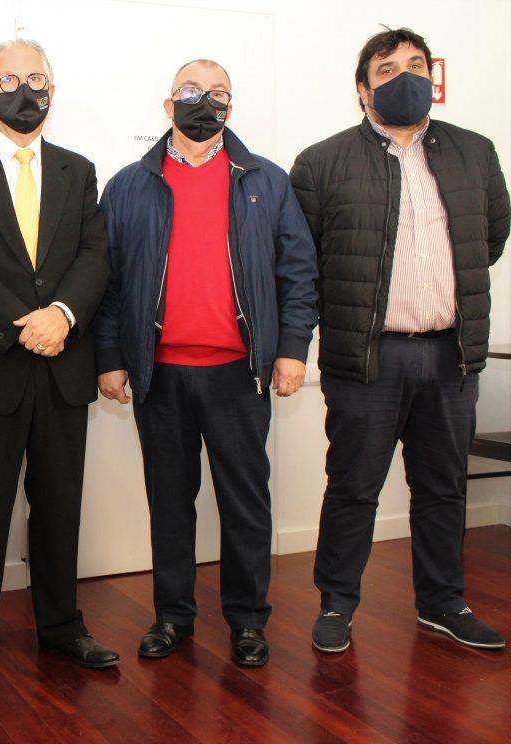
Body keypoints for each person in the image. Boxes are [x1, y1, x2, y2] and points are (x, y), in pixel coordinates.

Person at [291, 27, 509, 654]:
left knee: (443, 488)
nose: (405, 77)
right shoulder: (321, 162)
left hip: (451, 354)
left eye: (416, 65)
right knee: (353, 487)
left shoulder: (475, 152)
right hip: (368, 357)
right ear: (362, 90)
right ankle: (337, 603)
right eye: (387, 70)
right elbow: (304, 263)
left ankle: (443, 603)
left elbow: (491, 237)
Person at [94, 59, 318, 668]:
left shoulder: (266, 181)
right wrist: (110, 357)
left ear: (230, 108)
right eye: (191, 92)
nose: (204, 102)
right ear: (168, 106)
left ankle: (247, 621)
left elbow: (299, 274)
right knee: (170, 501)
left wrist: (292, 349)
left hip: (239, 374)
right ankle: (173, 616)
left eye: (217, 93)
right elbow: (107, 282)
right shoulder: (129, 185)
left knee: (245, 503)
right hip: (158, 373)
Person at [0, 38, 116, 688]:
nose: (24, 91)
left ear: (52, 92)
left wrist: (61, 315)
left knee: (59, 505)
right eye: (9, 81)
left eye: (36, 79)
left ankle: (61, 627)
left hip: (62, 362)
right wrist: (25, 324)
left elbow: (94, 255)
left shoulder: (78, 170)